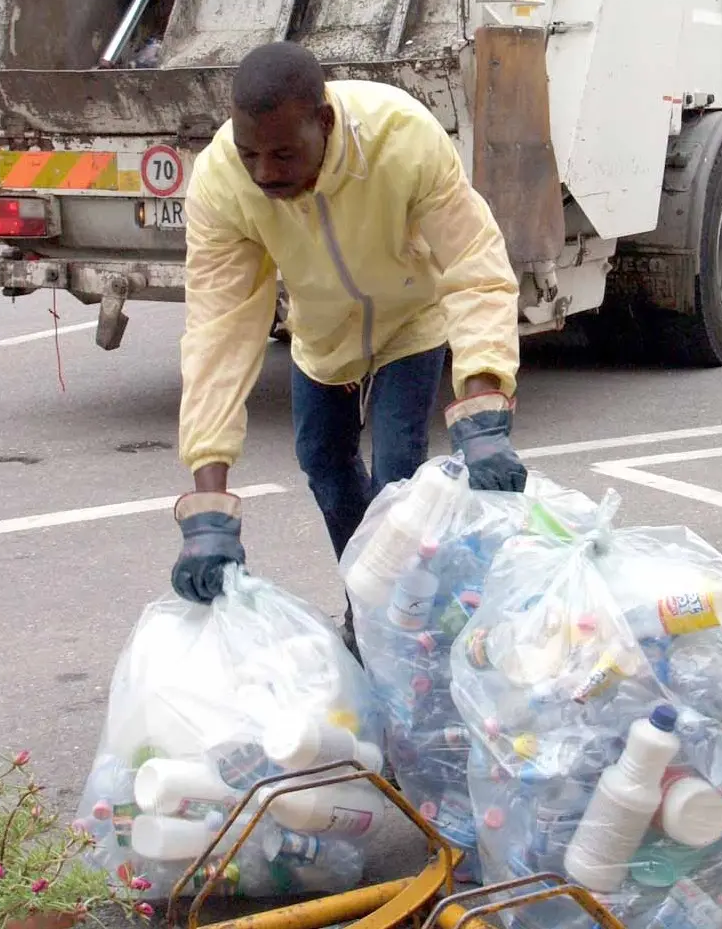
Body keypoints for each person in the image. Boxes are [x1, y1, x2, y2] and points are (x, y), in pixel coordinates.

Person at [169, 41, 526, 651]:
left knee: (397, 483)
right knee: (325, 469)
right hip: (321, 335)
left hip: (409, 322)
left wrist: (486, 399)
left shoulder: (400, 136)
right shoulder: (224, 182)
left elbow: (473, 265)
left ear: (325, 121)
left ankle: (412, 622)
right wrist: (208, 501)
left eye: (284, 153)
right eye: (249, 152)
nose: (265, 172)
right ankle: (372, 596)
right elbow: (219, 329)